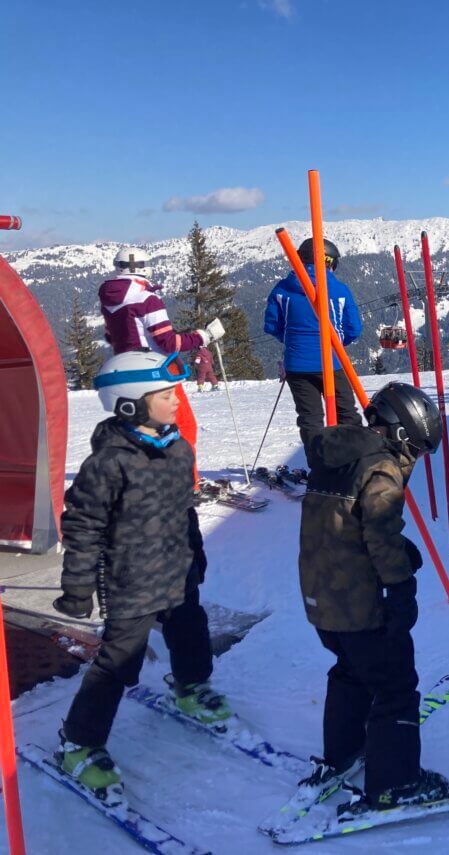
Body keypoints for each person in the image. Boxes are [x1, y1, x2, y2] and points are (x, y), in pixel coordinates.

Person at [54, 351, 229, 804]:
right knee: (118, 663)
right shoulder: (108, 464)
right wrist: (76, 589)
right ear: (130, 403)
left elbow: (185, 510)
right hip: (131, 579)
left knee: (191, 627)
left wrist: (197, 554)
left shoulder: (178, 448)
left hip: (177, 569)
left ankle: (190, 685)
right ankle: (79, 743)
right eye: (166, 394)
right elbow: (82, 528)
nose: (176, 401)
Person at [297, 382, 449, 818]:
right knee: (395, 686)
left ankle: (343, 751)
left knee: (350, 671)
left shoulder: (337, 456)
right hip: (359, 602)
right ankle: (396, 784)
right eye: (416, 451)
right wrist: (401, 587)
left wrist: (403, 549)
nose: (414, 461)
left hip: (322, 599)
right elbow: (380, 533)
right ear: (402, 434)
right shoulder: (381, 468)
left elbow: (345, 527)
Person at [99, 247, 224, 485]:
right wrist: (204, 336)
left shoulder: (108, 296)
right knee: (183, 426)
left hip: (125, 370)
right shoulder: (147, 298)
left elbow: (110, 336)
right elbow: (168, 342)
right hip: (155, 371)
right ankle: (187, 484)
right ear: (144, 267)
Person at [264, 238, 363, 468]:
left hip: (297, 366)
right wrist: (339, 343)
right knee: (346, 412)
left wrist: (293, 341)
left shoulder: (282, 290)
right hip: (332, 363)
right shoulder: (338, 290)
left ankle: (320, 468)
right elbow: (353, 329)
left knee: (310, 419)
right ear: (329, 263)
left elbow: (272, 325)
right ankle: (356, 462)